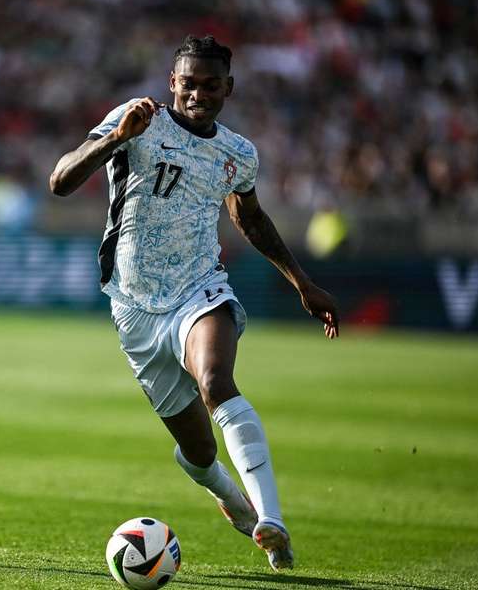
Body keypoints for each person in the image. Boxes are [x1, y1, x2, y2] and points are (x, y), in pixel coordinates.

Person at [49, 35, 338, 571]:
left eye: (210, 86)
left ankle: (272, 516)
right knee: (201, 455)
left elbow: (248, 217)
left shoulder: (237, 153)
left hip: (200, 288)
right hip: (133, 307)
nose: (197, 94)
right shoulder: (137, 120)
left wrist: (301, 281)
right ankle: (239, 505)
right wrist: (116, 137)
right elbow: (60, 181)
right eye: (188, 84)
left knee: (215, 381)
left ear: (228, 88)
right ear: (172, 83)